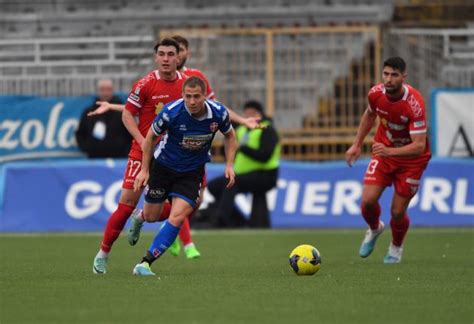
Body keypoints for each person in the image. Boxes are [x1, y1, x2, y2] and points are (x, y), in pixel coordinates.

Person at [92, 38, 193, 274]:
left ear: (179, 58)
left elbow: (205, 110)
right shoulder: (145, 84)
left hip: (173, 155)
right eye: (162, 54)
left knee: (184, 207)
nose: (166, 59)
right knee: (126, 204)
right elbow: (128, 115)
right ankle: (103, 253)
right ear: (155, 57)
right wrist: (142, 141)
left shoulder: (188, 84)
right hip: (143, 152)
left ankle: (143, 217)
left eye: (171, 54)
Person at [132, 76, 237, 276]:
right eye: (188, 96)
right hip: (163, 167)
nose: (192, 101)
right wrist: (145, 169)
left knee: (178, 217)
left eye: (197, 96)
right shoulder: (171, 112)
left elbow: (231, 137)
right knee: (152, 216)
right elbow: (151, 138)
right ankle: (140, 217)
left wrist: (230, 165)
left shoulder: (218, 113)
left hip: (192, 171)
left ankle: (144, 263)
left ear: (205, 95)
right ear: (182, 95)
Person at [345, 57, 431, 264]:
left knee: (397, 212)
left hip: (412, 160)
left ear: (404, 77)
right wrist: (357, 144)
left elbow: (419, 145)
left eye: (394, 75)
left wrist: (389, 151)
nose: (389, 79)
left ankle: (396, 248)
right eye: (386, 74)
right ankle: (375, 229)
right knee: (367, 202)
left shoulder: (415, 104)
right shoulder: (375, 94)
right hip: (385, 154)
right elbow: (369, 115)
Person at [206, 100, 280, 228]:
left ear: (260, 114)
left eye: (253, 113)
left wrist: (242, 148)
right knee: (214, 186)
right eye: (247, 113)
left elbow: (265, 156)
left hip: (265, 175)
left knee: (232, 185)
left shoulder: (267, 130)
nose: (249, 116)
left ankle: (222, 220)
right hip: (244, 174)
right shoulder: (241, 129)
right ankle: (237, 220)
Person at [75, 79, 130, 158]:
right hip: (95, 160)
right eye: (102, 89)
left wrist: (125, 150)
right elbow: (80, 134)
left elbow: (131, 133)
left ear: (113, 90)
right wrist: (88, 148)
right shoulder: (90, 112)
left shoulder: (122, 112)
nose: (105, 93)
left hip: (119, 159)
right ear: (98, 91)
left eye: (108, 89)